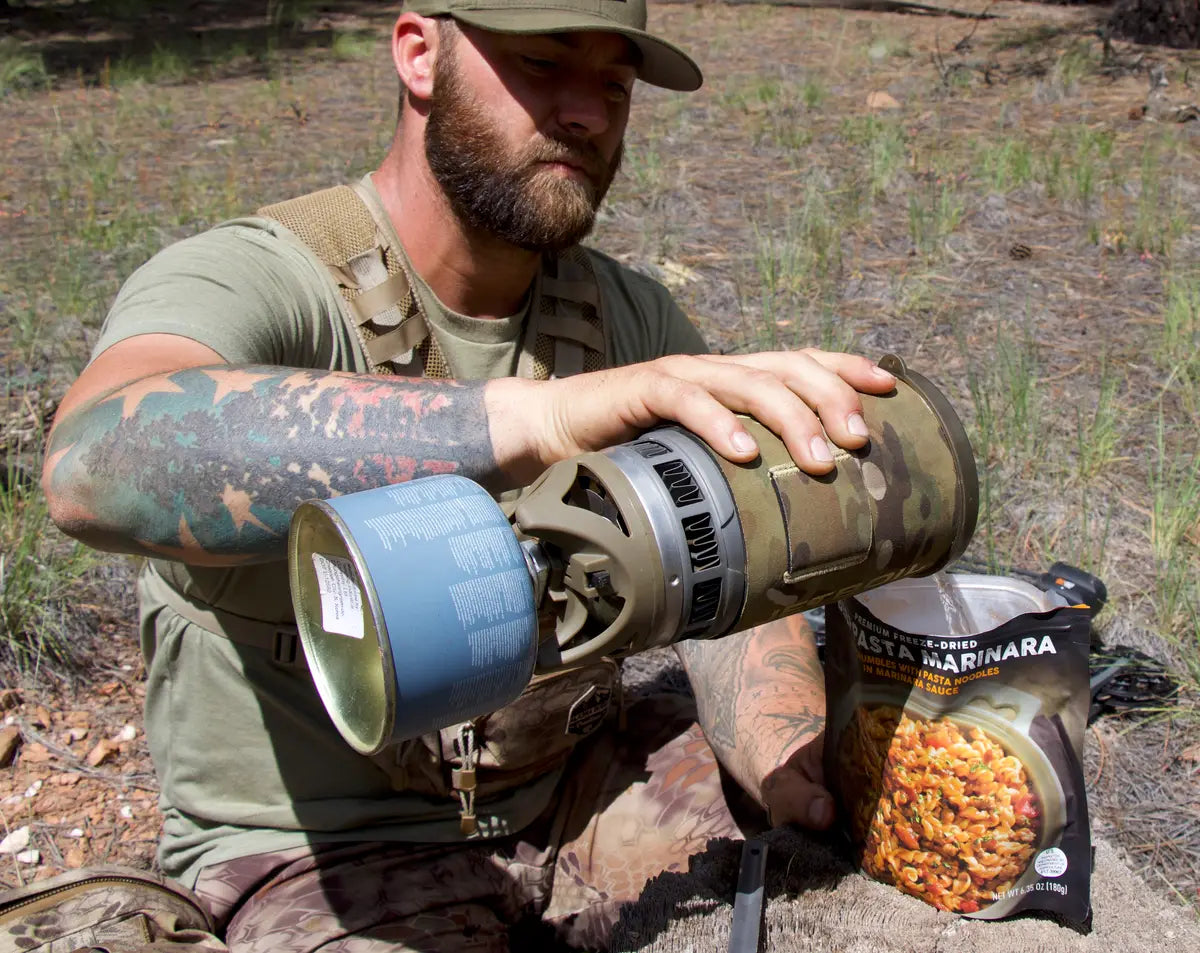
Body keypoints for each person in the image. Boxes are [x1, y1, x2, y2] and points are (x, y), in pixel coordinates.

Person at [41, 0, 897, 949]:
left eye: (614, 84)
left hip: (581, 792)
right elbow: (92, 465)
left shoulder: (626, 318)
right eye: (541, 65)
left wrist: (783, 756)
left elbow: (740, 571)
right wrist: (538, 418)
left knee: (842, 886)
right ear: (418, 55)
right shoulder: (260, 281)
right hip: (324, 854)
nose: (587, 112)